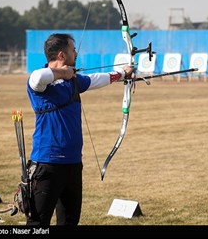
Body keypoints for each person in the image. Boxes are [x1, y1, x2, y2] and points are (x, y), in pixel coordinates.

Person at [26, 33, 134, 226]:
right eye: (72, 50)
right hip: (47, 164)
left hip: (73, 164)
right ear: (61, 55)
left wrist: (123, 73)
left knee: (69, 221)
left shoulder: (74, 81)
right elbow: (36, 77)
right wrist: (62, 73)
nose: (76, 53)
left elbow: (96, 78)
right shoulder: (41, 85)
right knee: (37, 223)